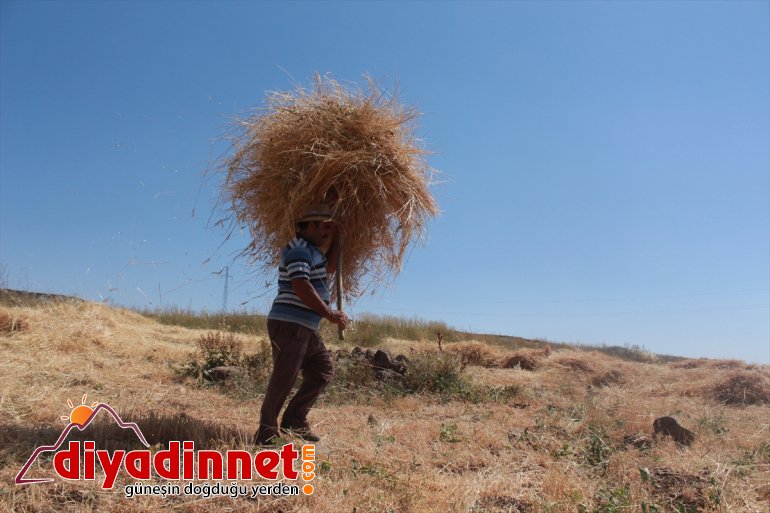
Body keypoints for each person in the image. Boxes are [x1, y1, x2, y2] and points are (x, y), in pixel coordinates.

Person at [253, 204, 348, 445]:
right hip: (289, 324)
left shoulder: (314, 252)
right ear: (311, 225)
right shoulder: (298, 249)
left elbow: (331, 267)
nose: (327, 232)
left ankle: (294, 419)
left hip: (304, 326)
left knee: (322, 370)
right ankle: (266, 432)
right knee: (285, 377)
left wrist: (339, 237)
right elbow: (300, 285)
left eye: (330, 228)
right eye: (325, 227)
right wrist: (329, 313)